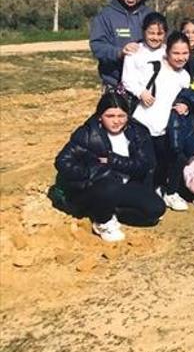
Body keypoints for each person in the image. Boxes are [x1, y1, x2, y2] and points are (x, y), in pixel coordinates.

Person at [54, 93, 165, 242]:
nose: (116, 121)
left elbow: (145, 163)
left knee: (155, 209)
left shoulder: (138, 132)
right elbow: (63, 161)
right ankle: (102, 221)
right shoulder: (87, 133)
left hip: (125, 185)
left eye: (121, 116)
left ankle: (107, 210)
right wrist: (92, 173)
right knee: (109, 186)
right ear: (100, 116)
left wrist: (113, 160)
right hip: (95, 187)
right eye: (110, 116)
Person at [131, 32, 193, 212]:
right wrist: (140, 92)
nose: (181, 58)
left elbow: (183, 99)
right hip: (144, 124)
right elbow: (130, 81)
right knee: (149, 163)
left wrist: (184, 106)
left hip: (166, 127)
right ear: (167, 51)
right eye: (176, 53)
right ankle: (146, 197)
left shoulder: (184, 76)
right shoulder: (153, 67)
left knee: (176, 157)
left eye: (185, 53)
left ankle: (170, 192)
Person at [89, 0, 155, 90]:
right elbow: (97, 46)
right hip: (115, 85)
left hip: (147, 85)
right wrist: (119, 53)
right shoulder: (105, 16)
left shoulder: (151, 16)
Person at [120, 13, 167, 109]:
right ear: (143, 31)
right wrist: (140, 92)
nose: (155, 37)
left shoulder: (168, 52)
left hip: (164, 105)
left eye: (159, 34)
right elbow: (127, 79)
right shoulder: (134, 51)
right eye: (151, 33)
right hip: (139, 105)